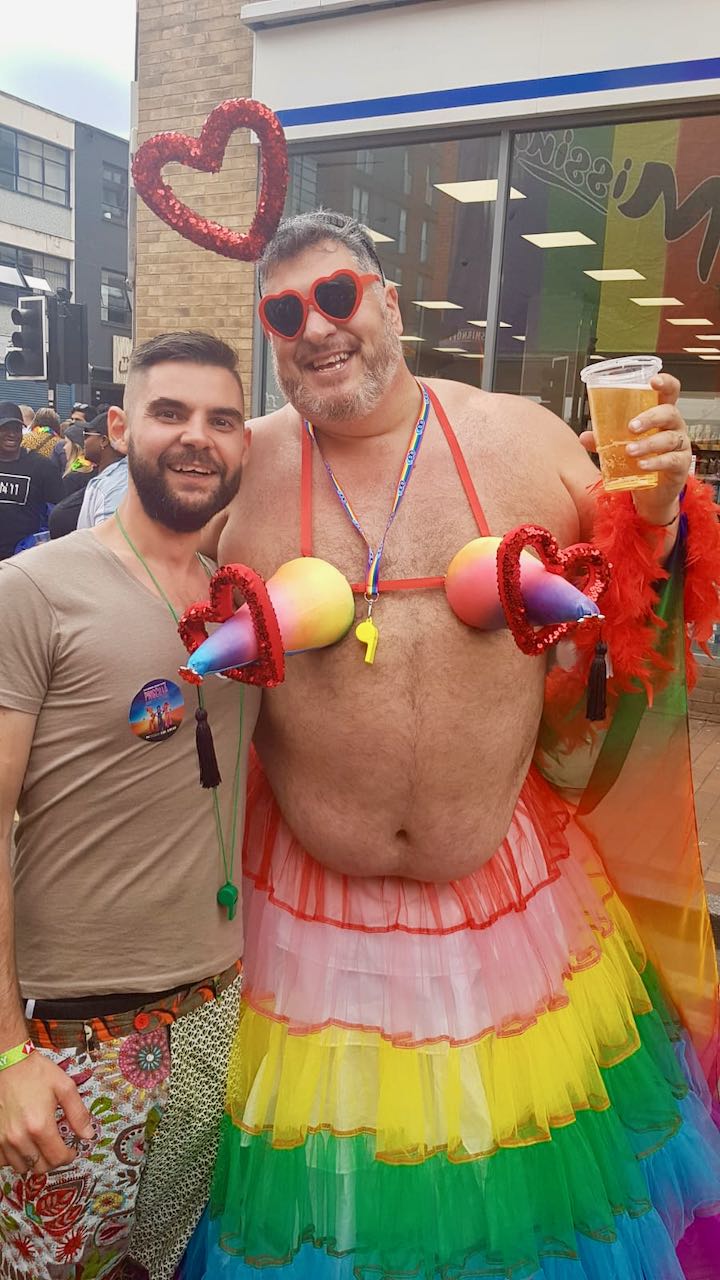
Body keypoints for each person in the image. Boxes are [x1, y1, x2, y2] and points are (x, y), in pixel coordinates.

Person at [184, 212, 720, 1279]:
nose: (315, 327)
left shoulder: (523, 436)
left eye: (338, 295)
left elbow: (644, 600)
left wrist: (663, 505)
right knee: (314, 1207)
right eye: (284, 312)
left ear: (388, 300)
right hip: (297, 928)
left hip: (508, 913)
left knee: (505, 1198)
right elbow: (136, 597)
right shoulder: (241, 466)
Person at [0, 332, 257, 1279]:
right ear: (119, 428)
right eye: (170, 413)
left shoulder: (243, 604)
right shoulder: (34, 590)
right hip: (68, 1032)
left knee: (155, 1265)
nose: (197, 438)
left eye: (222, 420)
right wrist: (6, 1057)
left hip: (212, 1013)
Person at [0, 401, 63, 559]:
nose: (12, 434)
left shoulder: (42, 467)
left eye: (16, 429)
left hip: (22, 558)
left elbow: (59, 511)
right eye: (5, 428)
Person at [76, 410, 129, 528]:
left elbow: (111, 537)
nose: (83, 441)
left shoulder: (115, 484)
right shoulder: (113, 477)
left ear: (104, 441)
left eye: (87, 435)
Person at [48, 423, 96, 539]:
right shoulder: (93, 470)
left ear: (76, 446)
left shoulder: (73, 478)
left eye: (67, 442)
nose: (64, 448)